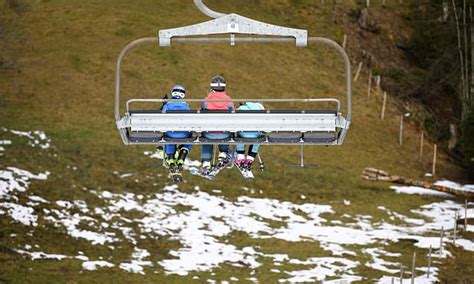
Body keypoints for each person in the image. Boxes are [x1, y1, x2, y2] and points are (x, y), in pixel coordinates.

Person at [200, 75, 235, 174]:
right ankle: (223, 154)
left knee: (206, 137)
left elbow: (200, 114)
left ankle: (206, 162)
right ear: (224, 87)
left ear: (212, 87)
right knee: (226, 132)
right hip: (224, 133)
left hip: (208, 133)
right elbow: (233, 115)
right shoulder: (228, 100)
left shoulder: (207, 99)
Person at [162, 85, 193, 176]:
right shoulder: (185, 106)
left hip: (170, 133)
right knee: (190, 138)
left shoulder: (167, 105)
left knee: (168, 138)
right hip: (184, 134)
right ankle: (181, 158)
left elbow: (162, 117)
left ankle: (171, 160)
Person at [235, 102, 265, 171]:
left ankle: (240, 158)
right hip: (256, 135)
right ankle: (249, 159)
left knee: (239, 135)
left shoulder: (241, 108)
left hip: (242, 134)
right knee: (258, 137)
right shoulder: (261, 110)